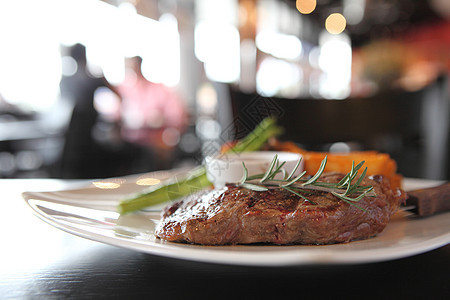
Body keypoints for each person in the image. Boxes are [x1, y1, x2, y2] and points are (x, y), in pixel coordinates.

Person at [115, 56, 188, 169]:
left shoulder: (159, 89)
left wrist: (161, 120)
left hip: (154, 144)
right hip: (128, 145)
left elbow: (178, 116)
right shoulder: (122, 90)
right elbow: (114, 114)